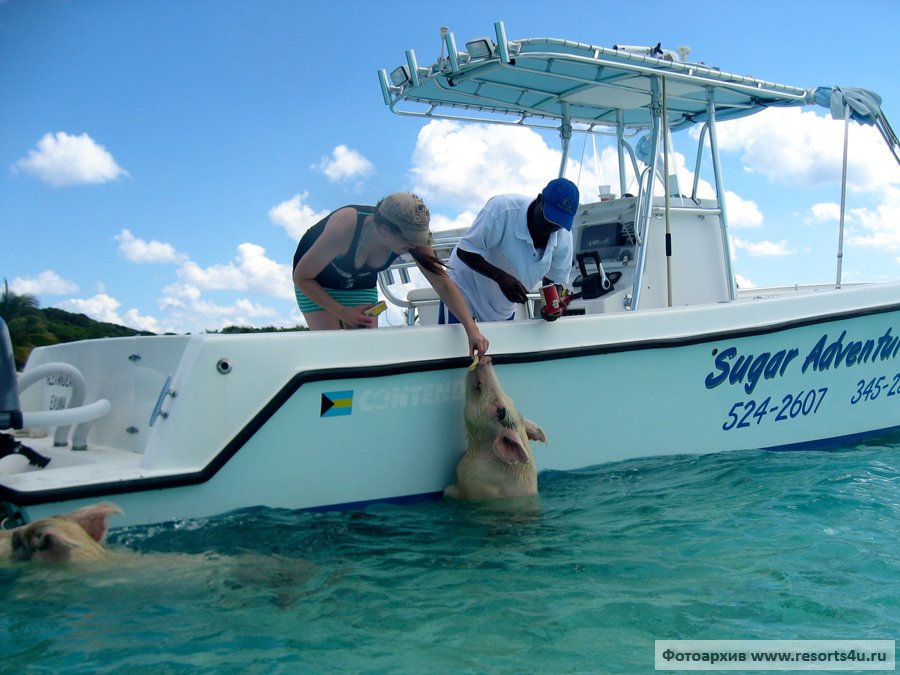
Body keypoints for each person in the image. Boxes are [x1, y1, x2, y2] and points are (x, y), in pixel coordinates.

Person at [292, 192, 489, 356]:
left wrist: (472, 330)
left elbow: (443, 284)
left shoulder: (414, 240)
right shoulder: (344, 227)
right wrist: (342, 312)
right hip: (315, 281)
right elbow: (302, 277)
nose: (414, 245)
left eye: (418, 239)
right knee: (332, 352)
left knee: (365, 355)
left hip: (360, 283)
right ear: (385, 229)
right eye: (409, 239)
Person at [442, 178, 578, 323]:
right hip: (463, 288)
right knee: (455, 345)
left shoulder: (564, 236)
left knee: (499, 346)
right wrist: (502, 278)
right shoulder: (502, 209)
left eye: (558, 223)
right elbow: (465, 251)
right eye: (549, 217)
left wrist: (551, 306)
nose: (551, 226)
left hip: (501, 306)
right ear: (539, 200)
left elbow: (554, 279)